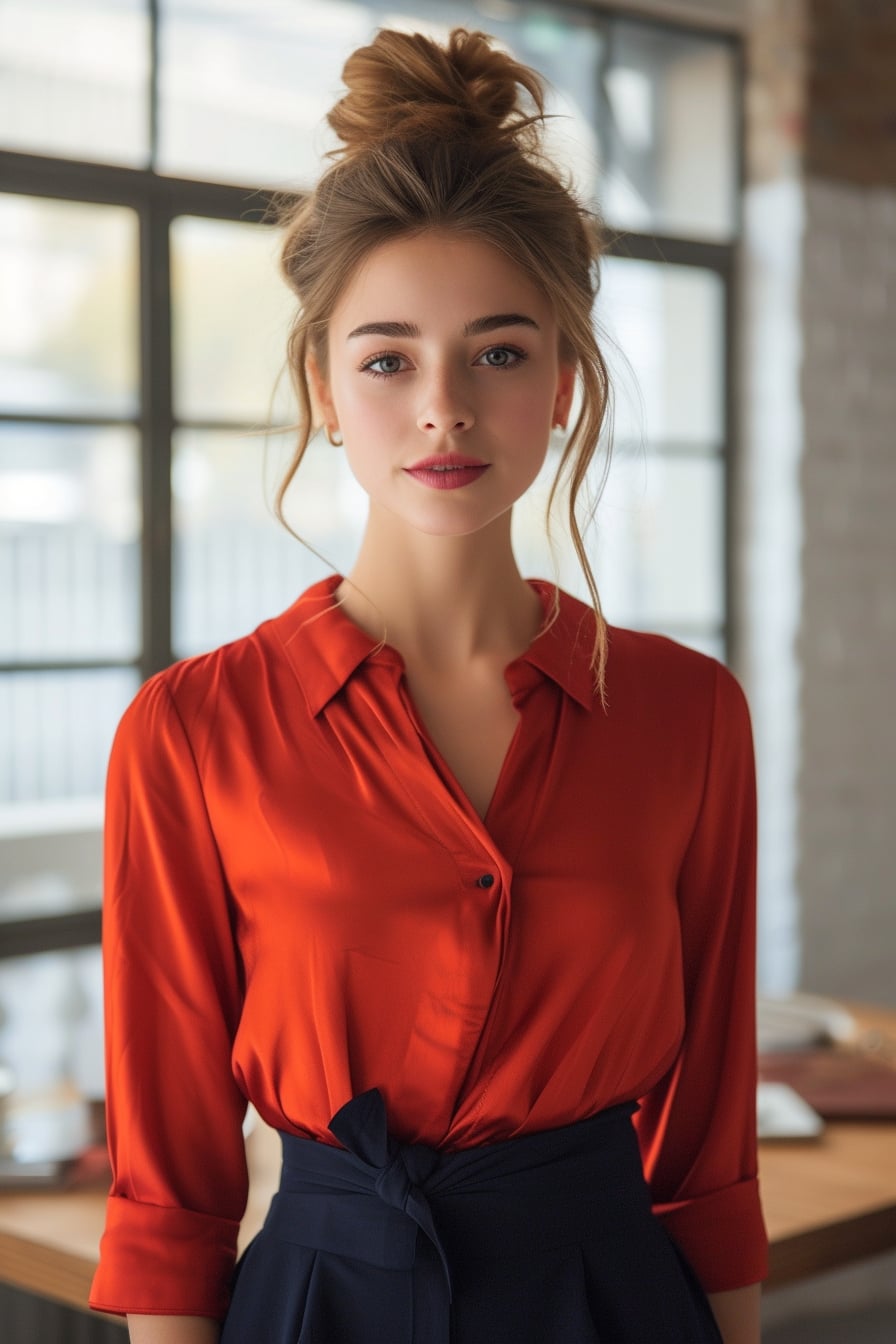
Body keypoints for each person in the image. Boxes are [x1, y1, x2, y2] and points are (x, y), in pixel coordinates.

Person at [89, 26, 766, 1344]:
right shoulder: (191, 734)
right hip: (320, 1299)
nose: (445, 409)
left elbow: (708, 1142)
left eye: (500, 353)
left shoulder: (689, 716)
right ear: (324, 389)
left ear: (564, 382)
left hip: (612, 1302)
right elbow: (169, 1182)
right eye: (389, 358)